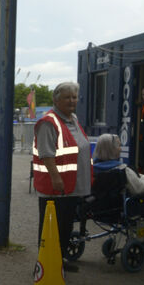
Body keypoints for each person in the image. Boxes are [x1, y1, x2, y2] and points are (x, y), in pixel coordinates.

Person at [32, 82, 92, 271]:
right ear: (56, 99)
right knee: (51, 226)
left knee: (65, 226)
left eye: (74, 97)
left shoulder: (72, 119)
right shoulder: (49, 122)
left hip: (72, 185)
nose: (72, 101)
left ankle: (60, 259)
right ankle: (45, 265)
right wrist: (56, 178)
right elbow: (46, 153)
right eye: (67, 97)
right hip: (56, 187)